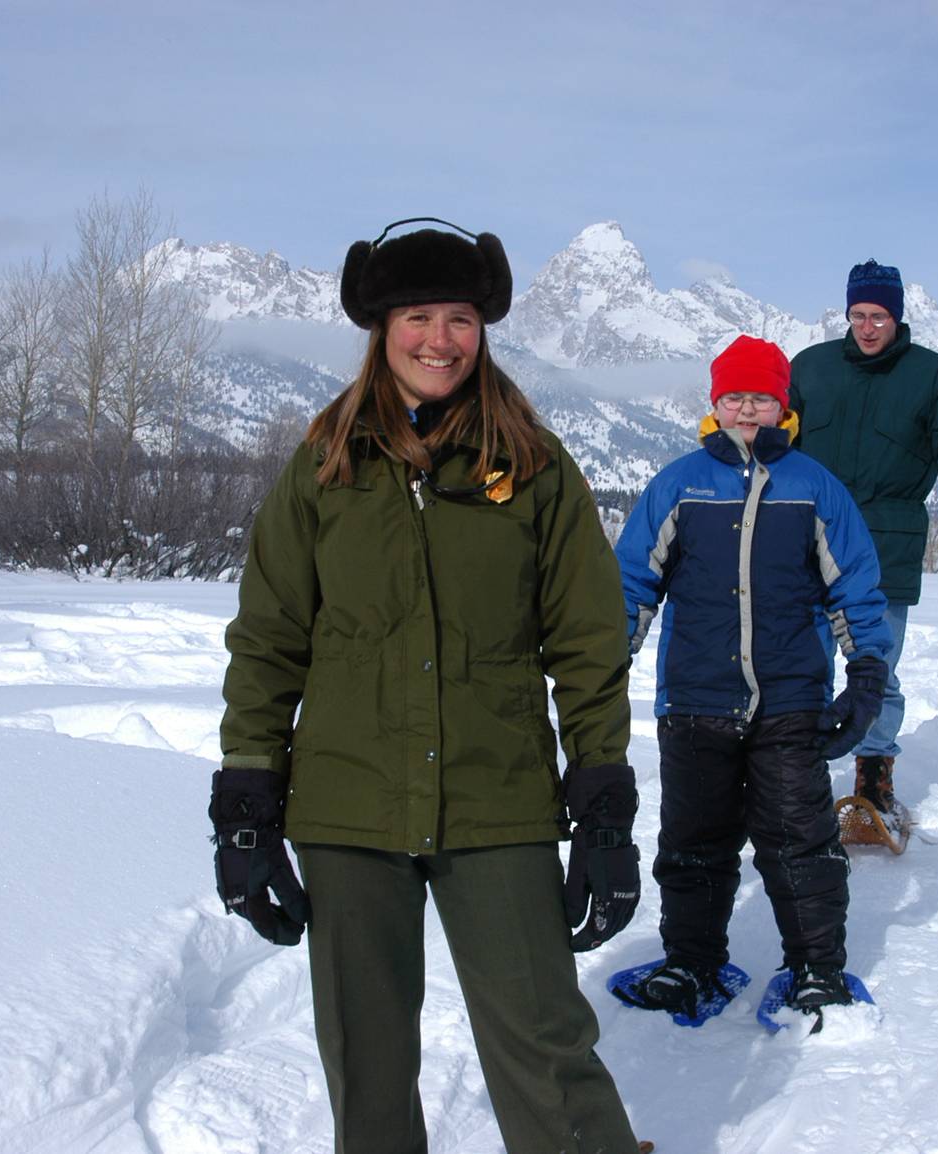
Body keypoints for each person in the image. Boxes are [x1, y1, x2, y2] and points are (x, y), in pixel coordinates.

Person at [207, 218, 648, 1154]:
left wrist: (602, 798)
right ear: (381, 325)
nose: (439, 340)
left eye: (459, 317)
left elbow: (586, 639)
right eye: (417, 316)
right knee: (364, 1060)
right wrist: (247, 796)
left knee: (545, 1043)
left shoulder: (531, 467)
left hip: (498, 797)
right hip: (347, 804)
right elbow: (271, 638)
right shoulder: (326, 464)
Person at [611, 335, 894, 1027]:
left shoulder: (814, 486)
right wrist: (607, 662)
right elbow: (630, 583)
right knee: (693, 842)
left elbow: (854, 588)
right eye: (734, 396)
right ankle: (692, 963)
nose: (748, 409)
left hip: (790, 698)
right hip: (695, 698)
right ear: (714, 403)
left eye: (762, 397)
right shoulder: (678, 484)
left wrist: (864, 677)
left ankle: (816, 970)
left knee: (800, 842)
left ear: (783, 406)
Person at [788, 260, 938, 817]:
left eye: (879, 316)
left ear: (897, 317)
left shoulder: (935, 377)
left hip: (886, 546)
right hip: (808, 541)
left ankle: (873, 782)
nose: (868, 327)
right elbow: (772, 444)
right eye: (858, 315)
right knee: (799, 663)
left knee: (876, 666)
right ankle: (795, 772)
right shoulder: (810, 367)